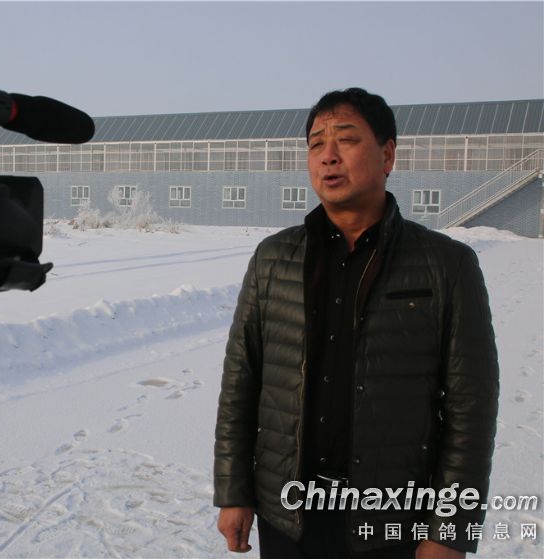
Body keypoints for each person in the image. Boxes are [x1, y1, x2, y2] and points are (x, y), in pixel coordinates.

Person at [213, 88, 498, 559]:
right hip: (288, 514)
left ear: (387, 155)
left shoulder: (446, 265)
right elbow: (240, 384)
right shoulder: (274, 259)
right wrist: (233, 491)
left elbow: (471, 407)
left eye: (346, 139)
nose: (328, 156)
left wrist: (451, 528)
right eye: (316, 144)